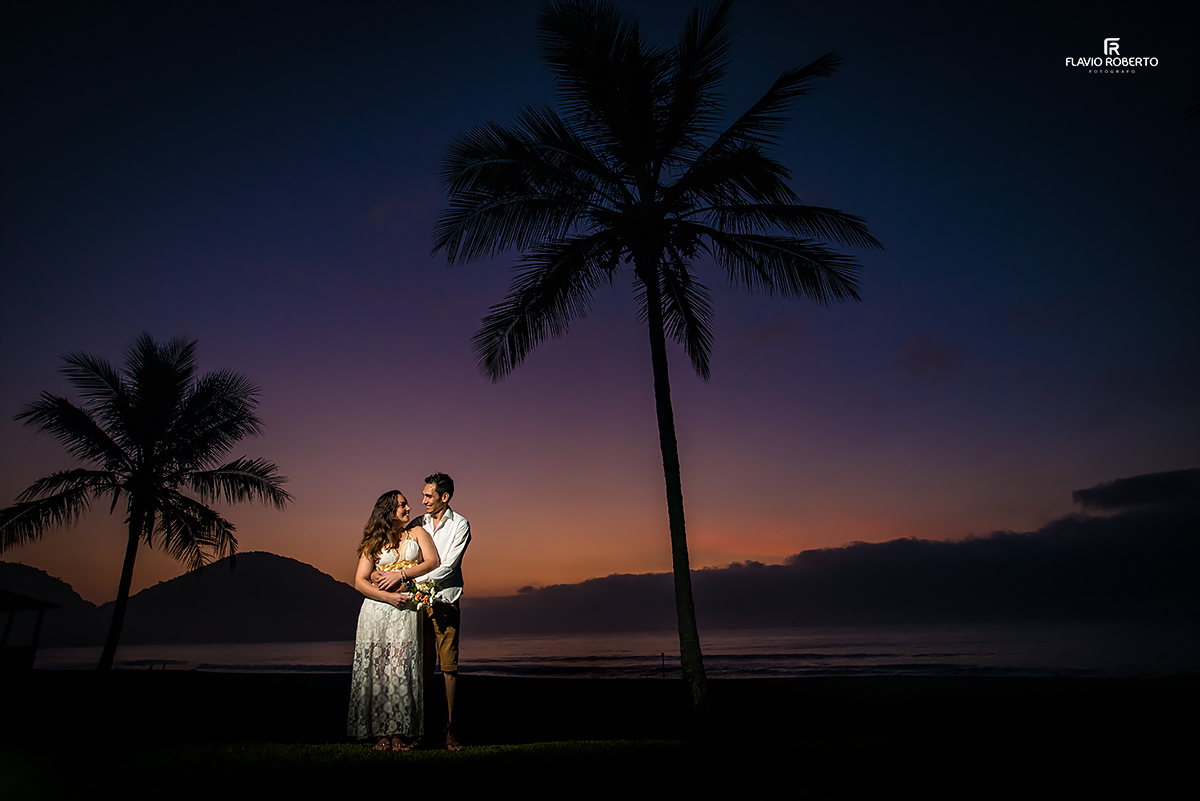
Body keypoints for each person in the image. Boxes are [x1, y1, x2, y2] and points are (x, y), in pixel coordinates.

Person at [374, 472, 469, 751]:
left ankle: (450, 732)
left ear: (445, 497)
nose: (423, 500)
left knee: (449, 668)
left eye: (428, 496)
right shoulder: (418, 524)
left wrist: (408, 578)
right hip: (418, 605)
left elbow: (448, 565)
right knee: (420, 667)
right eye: (423, 495)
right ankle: (420, 731)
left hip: (445, 601)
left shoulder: (460, 525)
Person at [347, 490, 440, 751]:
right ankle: (380, 734)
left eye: (407, 504)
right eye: (401, 505)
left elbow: (433, 560)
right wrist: (387, 598)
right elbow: (359, 582)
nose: (408, 508)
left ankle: (399, 730)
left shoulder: (418, 533)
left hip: (406, 610)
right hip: (377, 611)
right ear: (388, 511)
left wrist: (402, 575)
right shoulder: (373, 542)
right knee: (378, 670)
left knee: (400, 668)